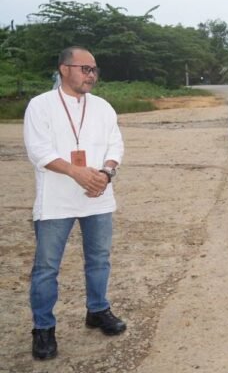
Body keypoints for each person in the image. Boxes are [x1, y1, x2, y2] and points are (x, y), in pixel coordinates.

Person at [23, 47, 126, 361]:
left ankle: (97, 310)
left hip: (98, 197)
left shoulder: (103, 107)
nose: (91, 75)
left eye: (94, 69)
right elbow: (39, 151)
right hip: (56, 201)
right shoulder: (40, 106)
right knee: (46, 268)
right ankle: (43, 328)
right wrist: (76, 172)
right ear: (64, 69)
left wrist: (106, 173)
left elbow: (115, 144)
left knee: (99, 260)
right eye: (84, 69)